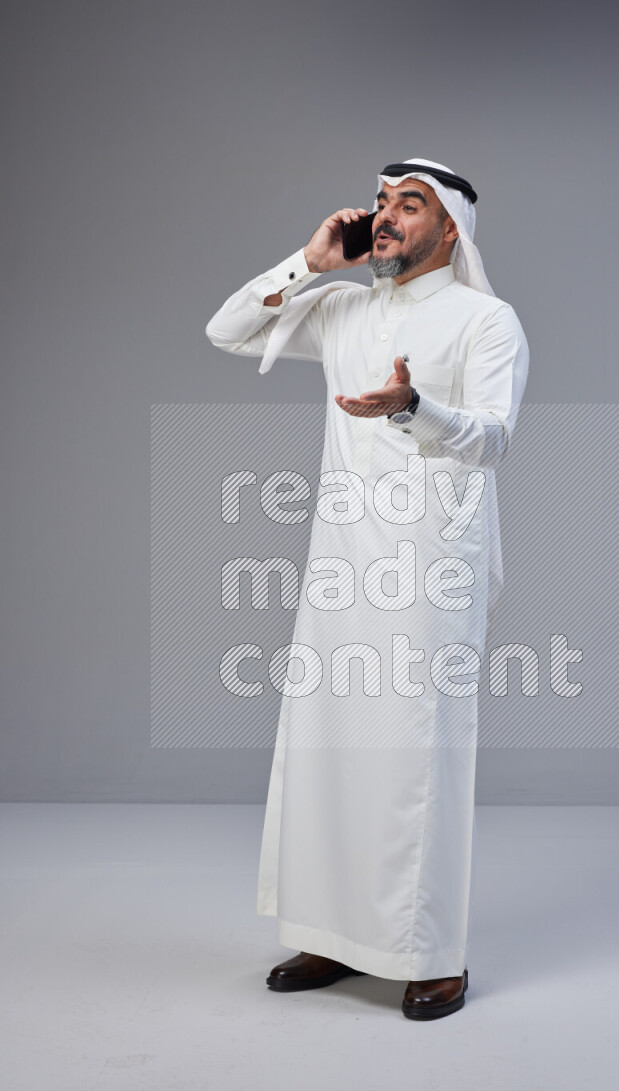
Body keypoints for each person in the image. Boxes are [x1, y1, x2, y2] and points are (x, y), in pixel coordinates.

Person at [205, 159, 529, 1019]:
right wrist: (311, 263)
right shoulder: (346, 308)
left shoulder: (486, 320)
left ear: (450, 229)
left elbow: (495, 439)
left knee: (419, 758)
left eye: (408, 205)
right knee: (329, 747)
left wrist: (412, 405)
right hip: (341, 564)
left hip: (429, 571)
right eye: (381, 202)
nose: (385, 217)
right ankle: (333, 934)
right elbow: (227, 330)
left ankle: (433, 954)